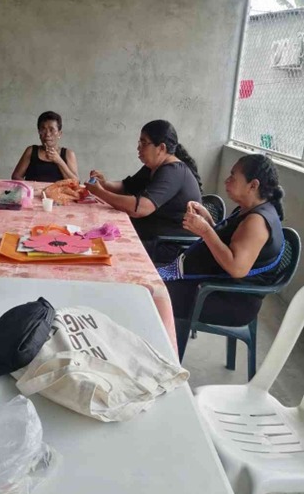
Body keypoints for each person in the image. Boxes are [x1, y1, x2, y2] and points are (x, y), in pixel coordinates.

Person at [158, 154, 285, 360]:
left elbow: (236, 268)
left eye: (233, 177)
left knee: (152, 292)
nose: (227, 180)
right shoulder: (248, 209)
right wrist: (208, 221)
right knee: (147, 277)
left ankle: (163, 359)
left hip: (226, 298)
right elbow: (230, 242)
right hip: (211, 285)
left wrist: (205, 231)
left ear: (253, 185)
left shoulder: (257, 222)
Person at [85, 120, 203, 262]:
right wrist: (104, 184)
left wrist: (100, 192)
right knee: (99, 232)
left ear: (161, 148)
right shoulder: (153, 166)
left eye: (144, 142)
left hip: (170, 246)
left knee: (109, 247)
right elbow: (126, 187)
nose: (138, 147)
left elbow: (140, 208)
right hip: (153, 236)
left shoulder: (173, 172)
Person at [11, 111, 79, 182]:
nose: (47, 134)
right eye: (43, 129)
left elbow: (76, 182)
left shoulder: (68, 154)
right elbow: (16, 176)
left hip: (58, 190)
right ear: (39, 133)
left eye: (51, 130)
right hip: (33, 189)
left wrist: (59, 161)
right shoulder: (31, 150)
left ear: (59, 134)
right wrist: (32, 185)